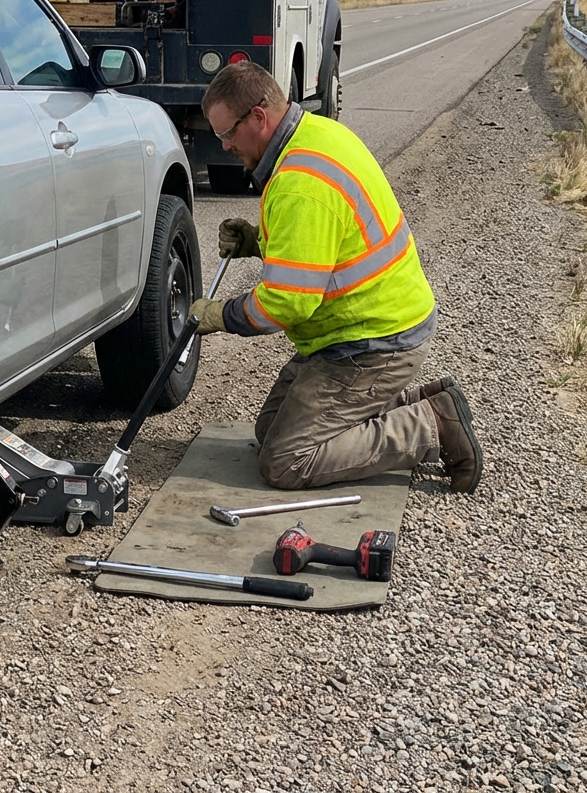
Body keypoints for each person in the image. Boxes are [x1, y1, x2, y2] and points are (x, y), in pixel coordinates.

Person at [190, 61, 483, 494]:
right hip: (364, 326)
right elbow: (323, 245)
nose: (225, 145)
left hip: (371, 343)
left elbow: (287, 303)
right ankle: (418, 404)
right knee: (269, 429)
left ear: (258, 116)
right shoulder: (316, 135)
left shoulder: (299, 183)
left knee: (285, 461)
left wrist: (220, 315)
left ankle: (431, 426)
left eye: (228, 133)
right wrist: (256, 242)